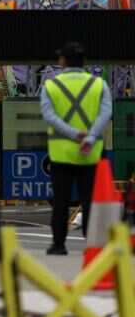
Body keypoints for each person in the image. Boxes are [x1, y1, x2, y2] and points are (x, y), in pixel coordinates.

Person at [40, 41, 112, 255]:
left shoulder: (51, 86)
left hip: (61, 154)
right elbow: (105, 114)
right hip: (90, 154)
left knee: (60, 202)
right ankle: (92, 244)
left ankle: (59, 245)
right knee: (90, 200)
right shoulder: (100, 85)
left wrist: (72, 134)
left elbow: (49, 116)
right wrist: (89, 137)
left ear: (63, 61)